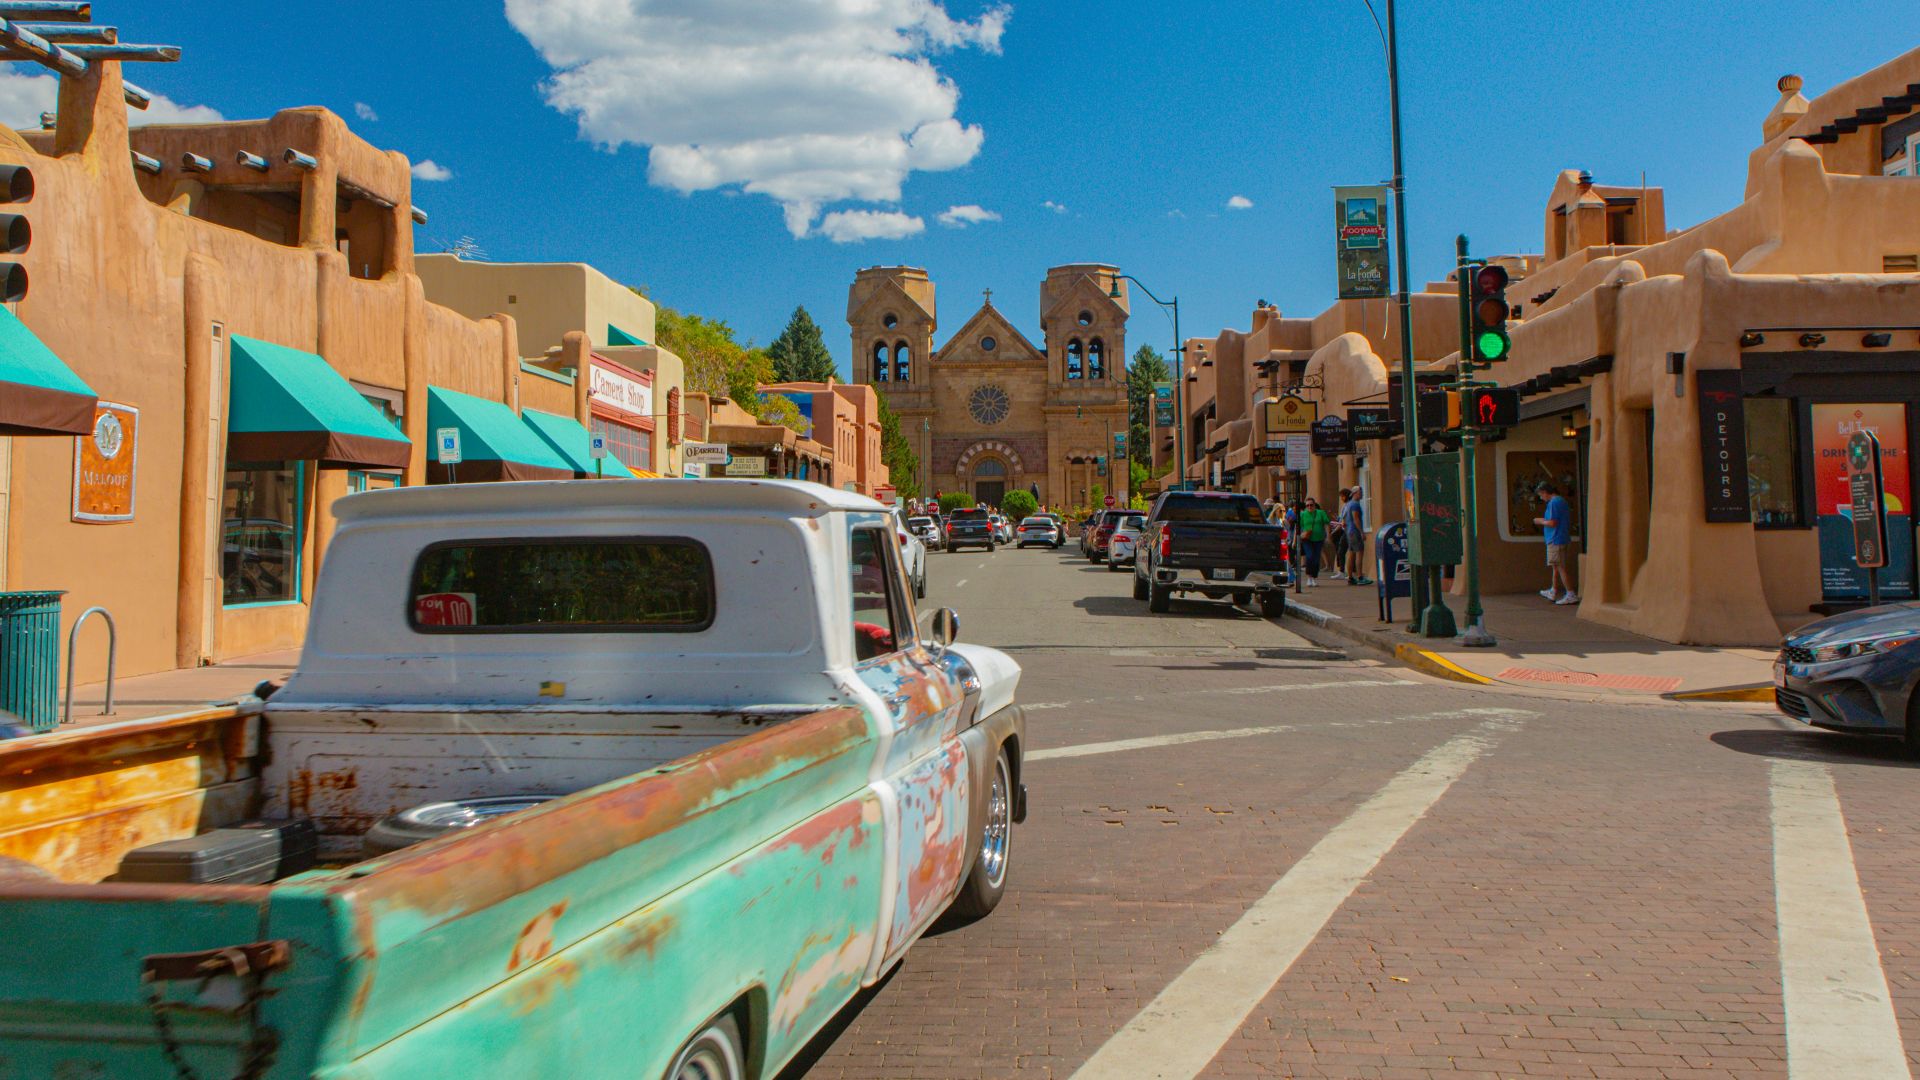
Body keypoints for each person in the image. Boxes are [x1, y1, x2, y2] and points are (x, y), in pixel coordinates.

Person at [1533, 481, 1577, 605]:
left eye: (1541, 495)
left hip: (1555, 539)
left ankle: (1570, 593)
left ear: (1545, 492)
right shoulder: (1560, 501)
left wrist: (1539, 521)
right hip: (1561, 537)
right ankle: (1553, 590)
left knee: (1559, 566)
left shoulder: (1554, 503)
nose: (1541, 498)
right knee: (1556, 566)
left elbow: (1552, 523)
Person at [1341, 487, 1372, 585]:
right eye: (1360, 492)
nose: (1362, 494)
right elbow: (1356, 518)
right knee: (1359, 553)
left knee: (1351, 553)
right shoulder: (1355, 504)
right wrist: (1362, 532)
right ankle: (1360, 576)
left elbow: (1344, 519)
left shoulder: (1348, 504)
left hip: (1349, 531)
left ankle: (1350, 577)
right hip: (1355, 531)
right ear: (1355, 493)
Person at [1298, 496, 1330, 587]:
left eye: (1311, 505)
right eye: (1307, 505)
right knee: (1310, 556)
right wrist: (1295, 540)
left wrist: (1328, 536)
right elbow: (1299, 527)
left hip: (1319, 539)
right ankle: (1309, 577)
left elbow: (1326, 524)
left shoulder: (1321, 513)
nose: (1309, 507)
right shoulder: (1303, 514)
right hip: (1307, 539)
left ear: (1314, 505)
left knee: (1316, 559)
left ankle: (1314, 578)